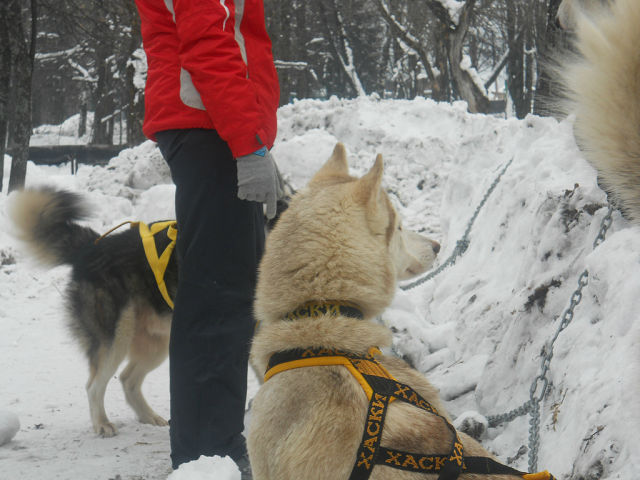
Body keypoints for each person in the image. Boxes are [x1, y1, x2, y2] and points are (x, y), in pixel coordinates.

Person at [132, 0, 282, 476]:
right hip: (210, 126)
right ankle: (207, 453)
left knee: (228, 294)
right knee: (219, 296)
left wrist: (251, 135)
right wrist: (247, 141)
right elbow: (207, 38)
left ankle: (212, 441)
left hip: (212, 124)